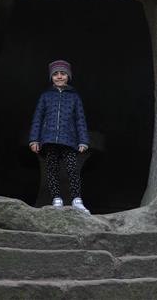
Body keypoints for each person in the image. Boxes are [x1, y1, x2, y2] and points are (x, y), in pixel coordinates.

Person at [29, 59, 90, 214]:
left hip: (69, 139)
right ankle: (56, 199)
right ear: (51, 77)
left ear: (68, 76)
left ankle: (77, 200)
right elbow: (37, 118)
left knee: (72, 169)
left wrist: (83, 140)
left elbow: (80, 120)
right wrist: (34, 139)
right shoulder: (45, 96)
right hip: (49, 139)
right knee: (51, 169)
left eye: (63, 73)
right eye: (55, 74)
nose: (59, 76)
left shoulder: (74, 97)